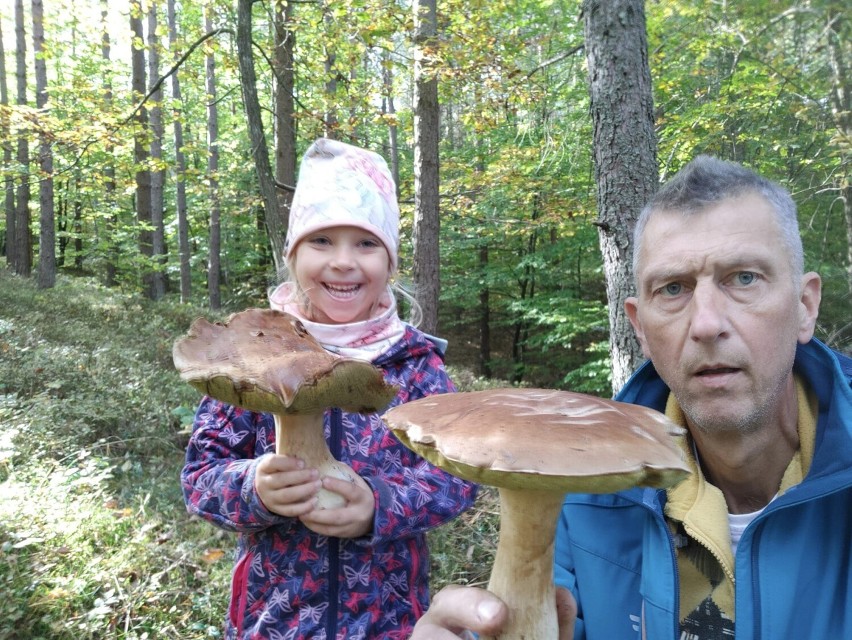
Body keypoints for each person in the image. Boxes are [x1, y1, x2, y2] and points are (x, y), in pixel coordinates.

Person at [411, 155, 852, 639]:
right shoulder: (577, 489)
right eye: (673, 289)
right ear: (640, 327)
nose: (706, 324)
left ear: (805, 306)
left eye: (744, 278)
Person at [181, 137, 478, 640]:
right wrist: (253, 487)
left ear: (390, 263)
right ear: (293, 255)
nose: (343, 262)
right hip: (273, 620)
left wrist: (380, 505)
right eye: (321, 241)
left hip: (390, 623)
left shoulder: (415, 366)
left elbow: (457, 478)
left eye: (365, 244)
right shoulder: (251, 356)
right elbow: (199, 476)